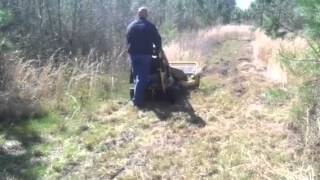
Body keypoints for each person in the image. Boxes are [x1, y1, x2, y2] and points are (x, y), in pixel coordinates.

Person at [127, 7, 162, 107]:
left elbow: (128, 39)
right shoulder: (150, 26)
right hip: (145, 55)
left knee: (136, 77)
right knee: (143, 78)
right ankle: (137, 101)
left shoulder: (131, 26)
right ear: (146, 15)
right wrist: (159, 49)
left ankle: (136, 96)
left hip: (133, 55)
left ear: (138, 14)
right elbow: (157, 39)